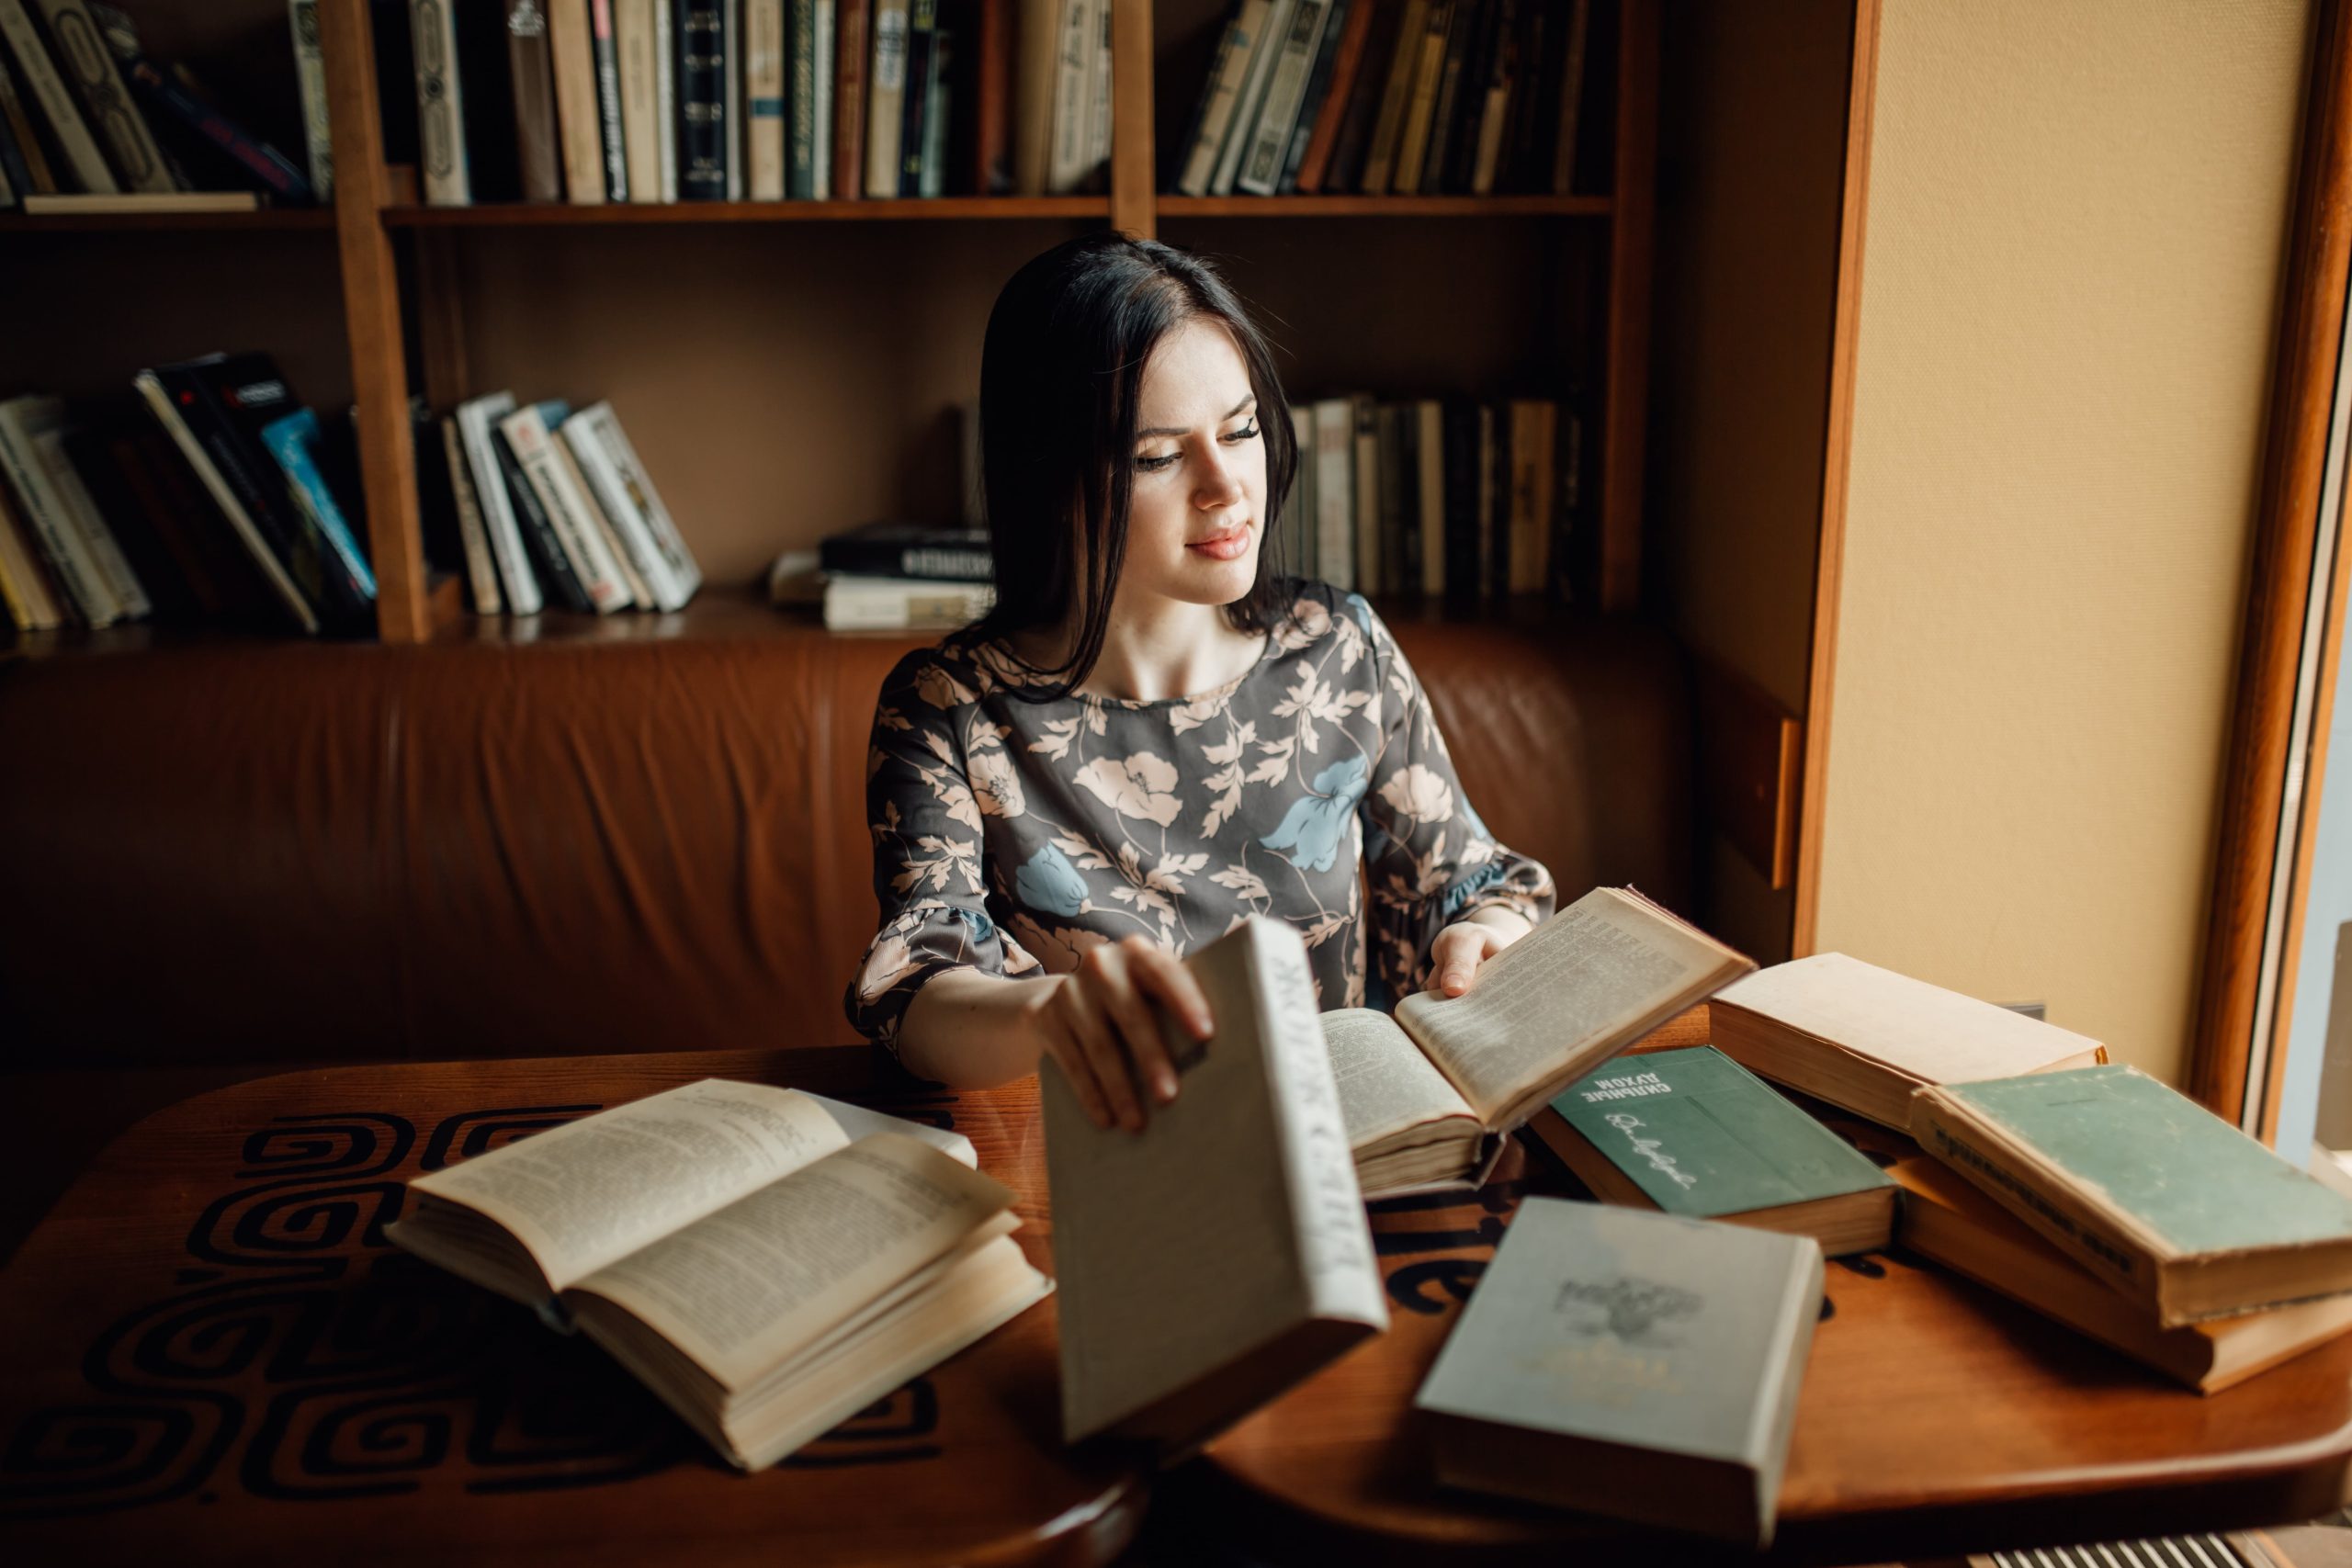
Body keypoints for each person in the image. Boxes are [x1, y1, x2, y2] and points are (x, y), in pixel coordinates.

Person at [844, 232, 1555, 1131]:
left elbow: (1472, 880)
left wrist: (1483, 935)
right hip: (1116, 1172)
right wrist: (1053, 1015)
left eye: (1241, 429)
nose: (1226, 488)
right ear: (1049, 474)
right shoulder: (950, 709)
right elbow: (917, 987)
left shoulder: (1339, 651)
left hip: (1353, 1153)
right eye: (1156, 456)